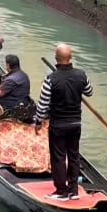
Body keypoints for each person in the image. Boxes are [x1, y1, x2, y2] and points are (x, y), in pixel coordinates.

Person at [33, 44, 93, 201]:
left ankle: (61, 191)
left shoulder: (50, 80)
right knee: (73, 156)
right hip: (75, 124)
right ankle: (73, 191)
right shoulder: (81, 75)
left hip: (58, 125)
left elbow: (43, 105)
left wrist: (38, 121)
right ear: (71, 57)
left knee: (58, 157)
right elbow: (89, 92)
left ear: (56, 59)